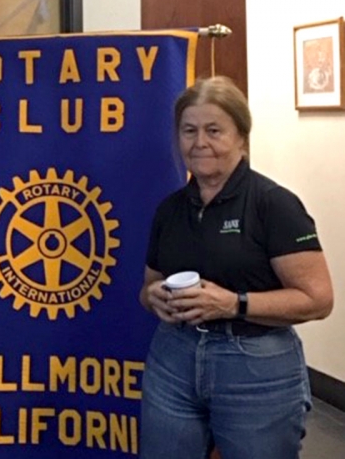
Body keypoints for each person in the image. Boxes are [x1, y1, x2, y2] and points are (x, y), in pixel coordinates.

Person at [138, 76, 333, 459]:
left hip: (256, 367)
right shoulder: (171, 209)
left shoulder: (274, 205)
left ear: (241, 138)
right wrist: (154, 298)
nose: (200, 143)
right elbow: (148, 286)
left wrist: (233, 303)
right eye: (189, 131)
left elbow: (318, 299)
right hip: (173, 359)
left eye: (214, 130)